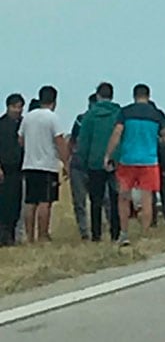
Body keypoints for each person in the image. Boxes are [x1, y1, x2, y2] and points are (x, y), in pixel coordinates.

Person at [104, 84, 165, 246]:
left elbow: (117, 134)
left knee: (124, 197)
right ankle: (145, 234)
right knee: (147, 199)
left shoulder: (125, 112)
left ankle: (124, 233)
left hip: (128, 160)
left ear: (134, 96)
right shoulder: (157, 114)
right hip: (149, 161)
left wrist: (108, 155)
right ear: (148, 96)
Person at [18, 86, 70, 242]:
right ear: (54, 101)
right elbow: (59, 141)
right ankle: (42, 234)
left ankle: (29, 236)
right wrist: (65, 162)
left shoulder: (28, 117)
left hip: (29, 164)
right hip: (47, 165)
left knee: (30, 202)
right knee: (44, 202)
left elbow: (20, 140)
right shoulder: (52, 118)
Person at [77, 82, 122, 242]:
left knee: (96, 199)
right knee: (116, 197)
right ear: (112, 95)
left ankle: (96, 234)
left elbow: (84, 141)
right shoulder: (119, 113)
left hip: (94, 161)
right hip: (116, 161)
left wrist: (82, 159)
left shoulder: (90, 115)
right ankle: (116, 232)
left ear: (97, 96)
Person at [68, 93, 97, 240]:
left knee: (91, 200)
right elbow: (72, 141)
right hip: (82, 164)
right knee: (82, 201)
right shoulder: (80, 120)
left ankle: (92, 229)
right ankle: (85, 231)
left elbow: (72, 143)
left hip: (86, 164)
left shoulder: (85, 120)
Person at [0, 94, 25, 246]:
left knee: (15, 204)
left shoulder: (24, 124)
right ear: (8, 107)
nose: (17, 110)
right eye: (14, 107)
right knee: (3, 203)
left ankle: (11, 235)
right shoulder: (1, 124)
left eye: (20, 107)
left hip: (19, 169)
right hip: (4, 169)